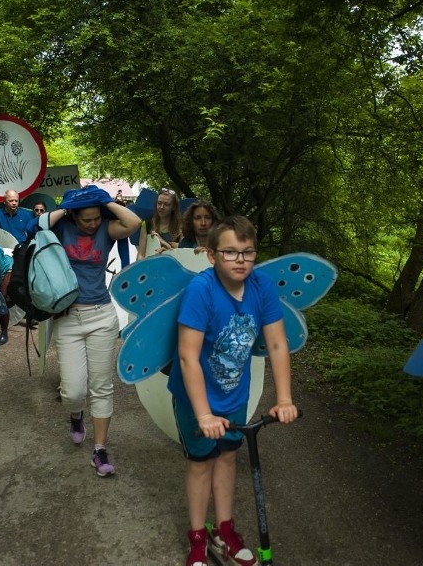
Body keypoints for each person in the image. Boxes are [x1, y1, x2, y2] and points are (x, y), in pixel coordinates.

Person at [166, 215, 298, 566]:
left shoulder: (262, 286)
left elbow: (277, 344)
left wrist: (284, 398)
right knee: (201, 463)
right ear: (211, 256)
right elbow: (187, 356)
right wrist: (204, 413)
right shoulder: (201, 290)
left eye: (248, 252)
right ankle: (197, 538)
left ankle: (224, 529)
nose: (240, 261)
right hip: (196, 396)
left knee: (227, 457)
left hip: (233, 393)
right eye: (230, 253)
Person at [46, 186, 141, 477]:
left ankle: (99, 450)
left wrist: (105, 202)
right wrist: (69, 205)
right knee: (73, 392)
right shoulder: (61, 229)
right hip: (67, 318)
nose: (92, 224)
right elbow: (35, 225)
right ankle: (76, 415)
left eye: (95, 218)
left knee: (101, 386)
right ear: (74, 216)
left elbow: (133, 223)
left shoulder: (106, 229)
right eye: (86, 219)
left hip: (101, 315)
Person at [137, 188, 183, 259]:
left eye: (166, 204)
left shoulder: (181, 226)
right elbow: (141, 254)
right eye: (159, 203)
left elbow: (183, 255)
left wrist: (162, 241)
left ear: (173, 207)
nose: (161, 207)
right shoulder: (146, 224)